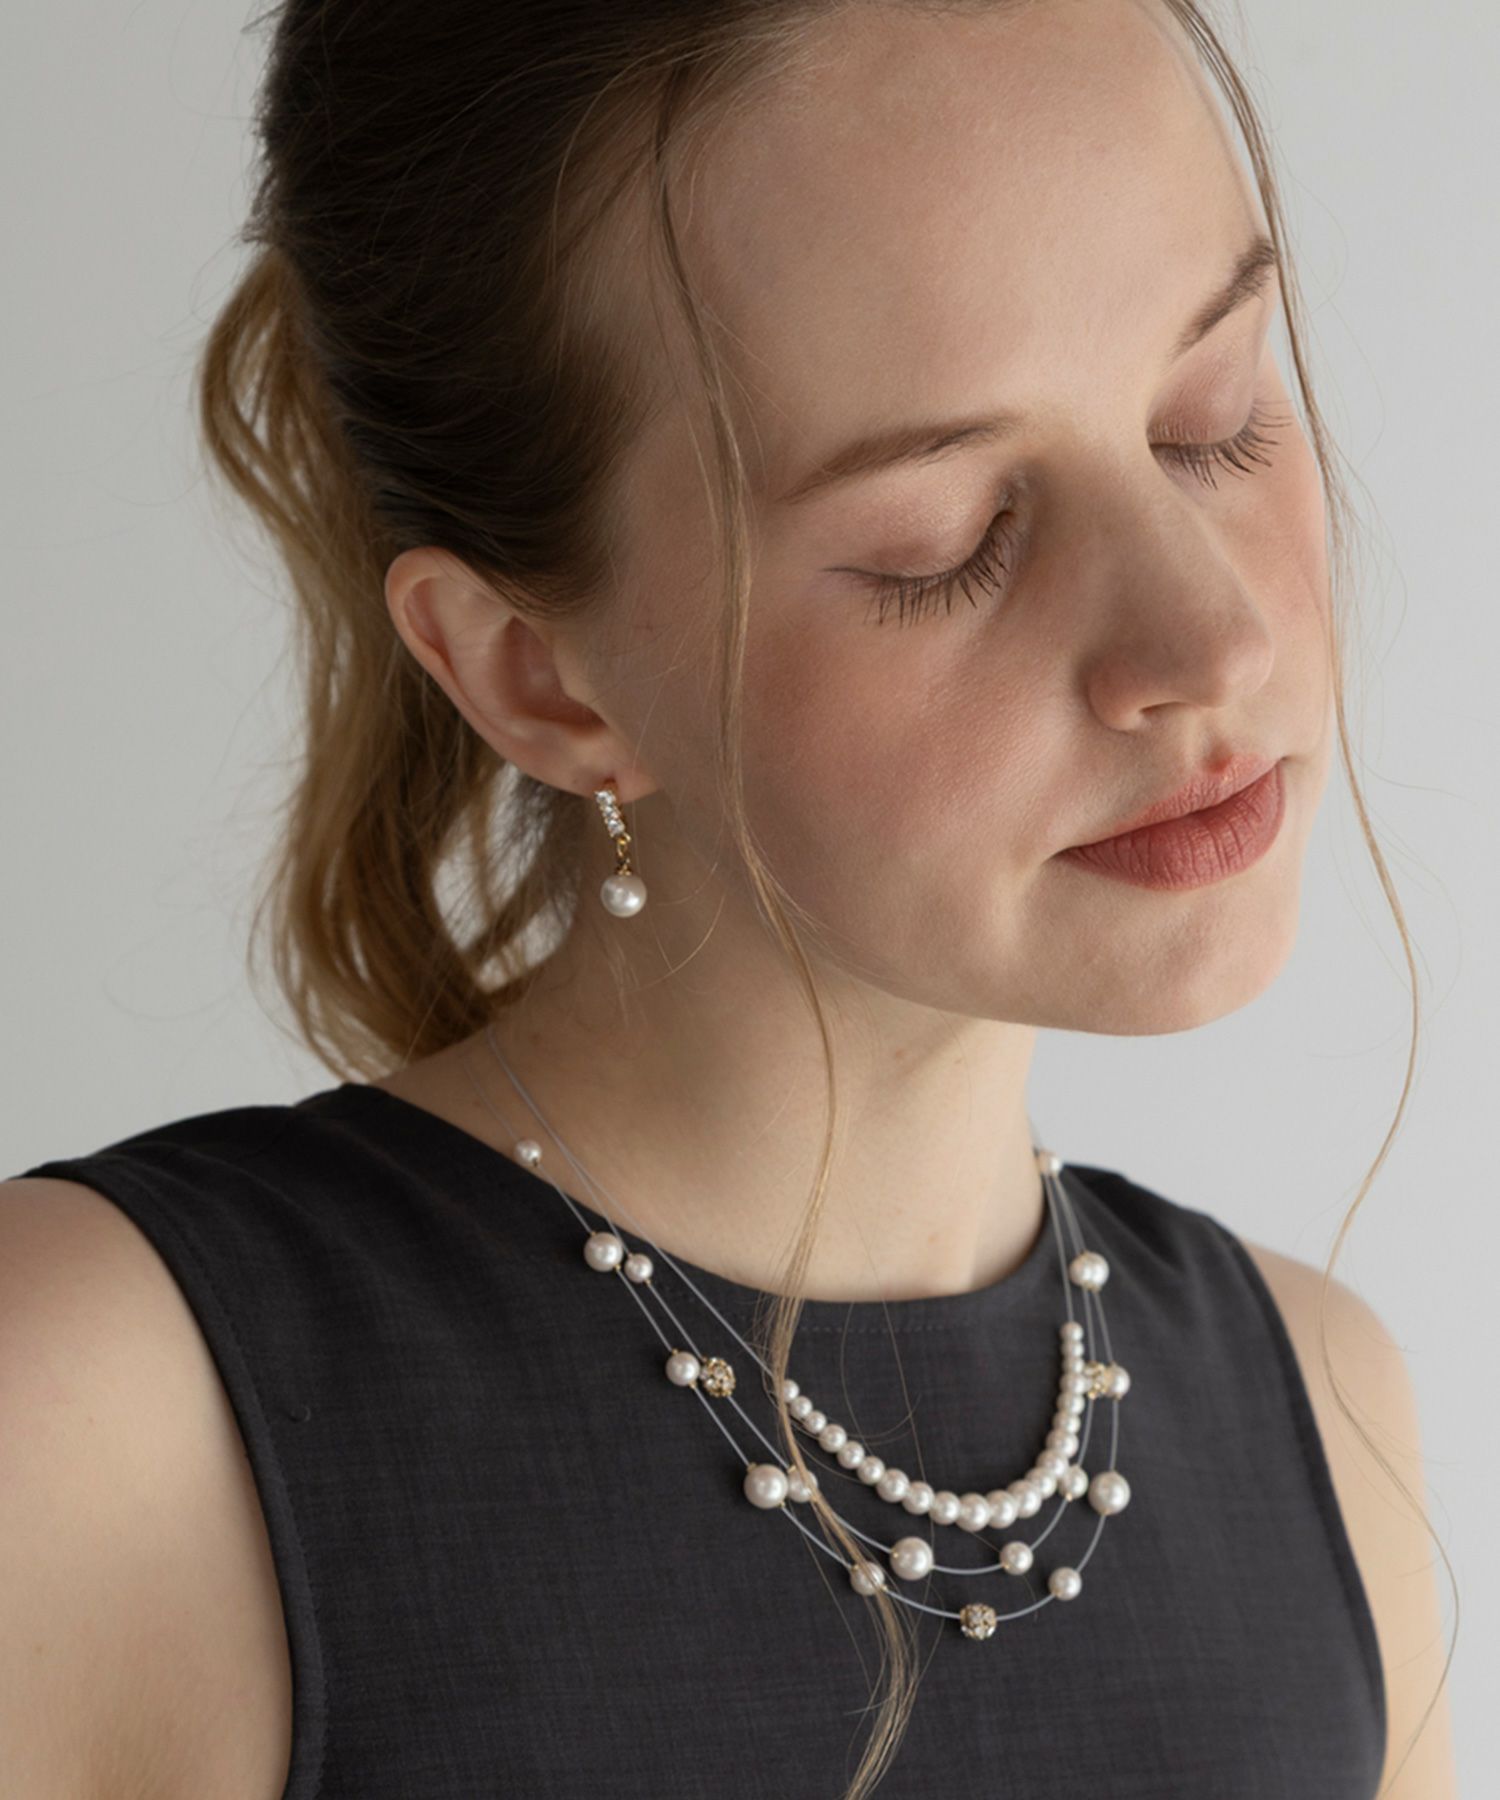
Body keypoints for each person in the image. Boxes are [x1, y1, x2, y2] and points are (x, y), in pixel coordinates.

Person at [2, 1, 1456, 1795]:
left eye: (1213, 421)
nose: (1211, 637)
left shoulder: (1327, 1422)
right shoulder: (88, 1424)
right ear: (538, 676)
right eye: (950, 541)